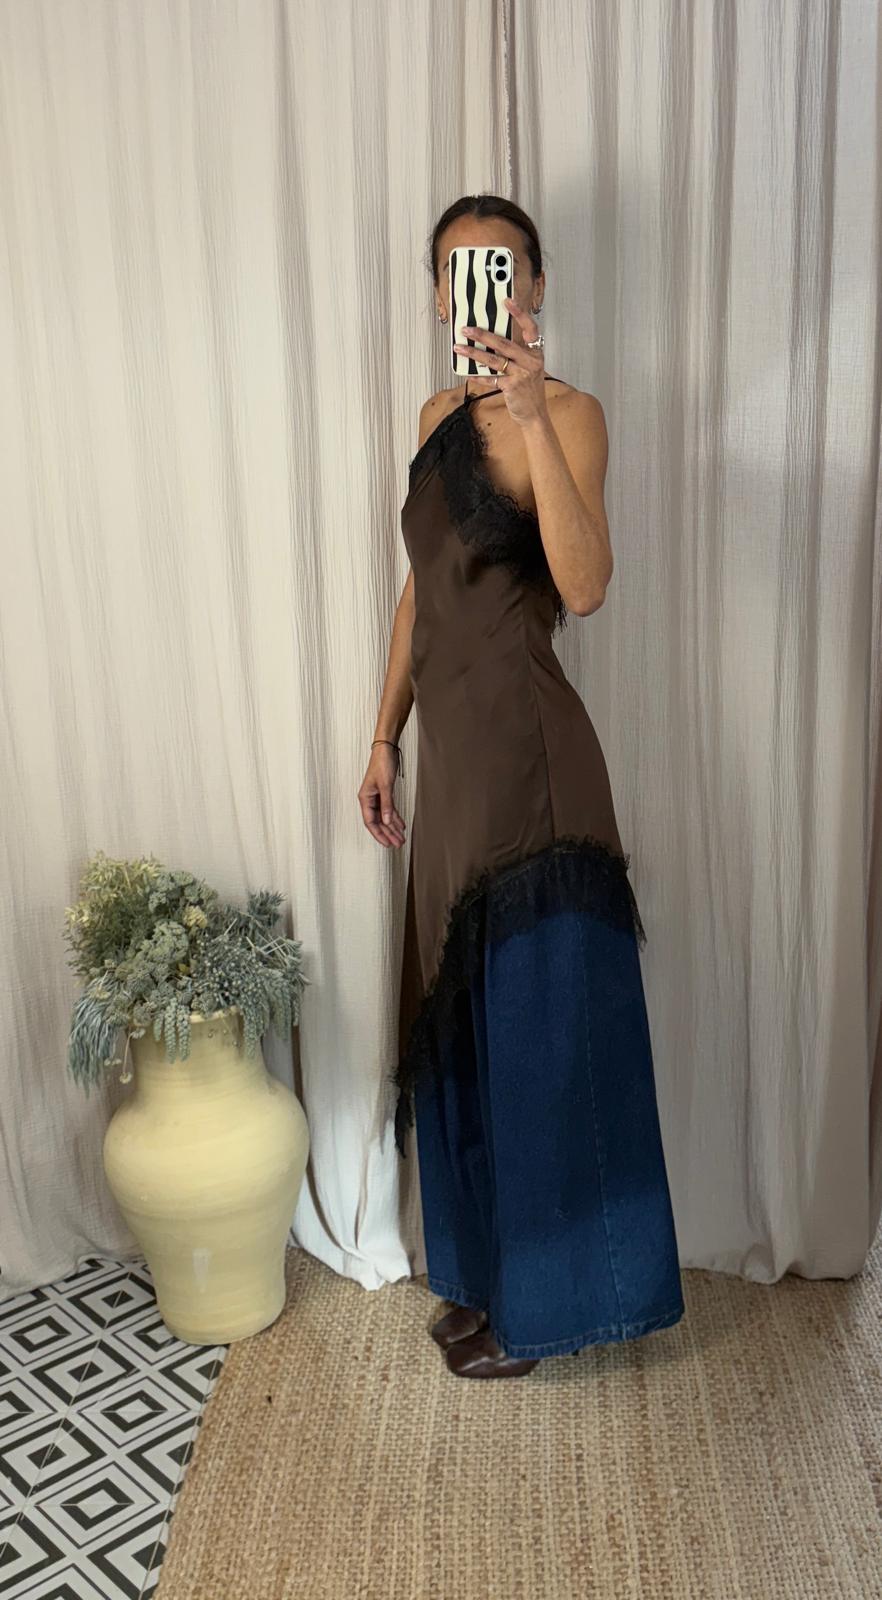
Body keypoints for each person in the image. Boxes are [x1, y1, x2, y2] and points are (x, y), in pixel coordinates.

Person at [358, 194, 684, 1379]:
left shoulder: (571, 413)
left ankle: (546, 1311)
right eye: (458, 271)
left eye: (499, 267)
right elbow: (421, 591)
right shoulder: (433, 417)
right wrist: (383, 736)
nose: (478, 286)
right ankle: (493, 1278)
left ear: (534, 289)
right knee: (471, 1032)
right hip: (454, 767)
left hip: (533, 762)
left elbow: (584, 585)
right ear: (441, 298)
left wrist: (536, 416)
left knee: (542, 1035)